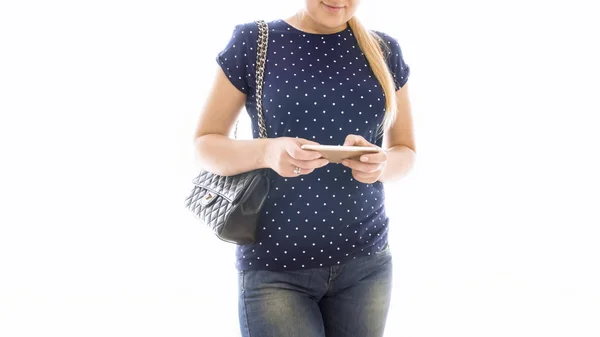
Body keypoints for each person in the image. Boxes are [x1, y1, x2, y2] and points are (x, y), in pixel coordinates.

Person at [193, 1, 416, 336]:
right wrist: (267, 152)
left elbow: (405, 151)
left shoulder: (384, 50)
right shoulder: (254, 41)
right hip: (275, 271)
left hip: (366, 265)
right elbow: (205, 143)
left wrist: (379, 165)